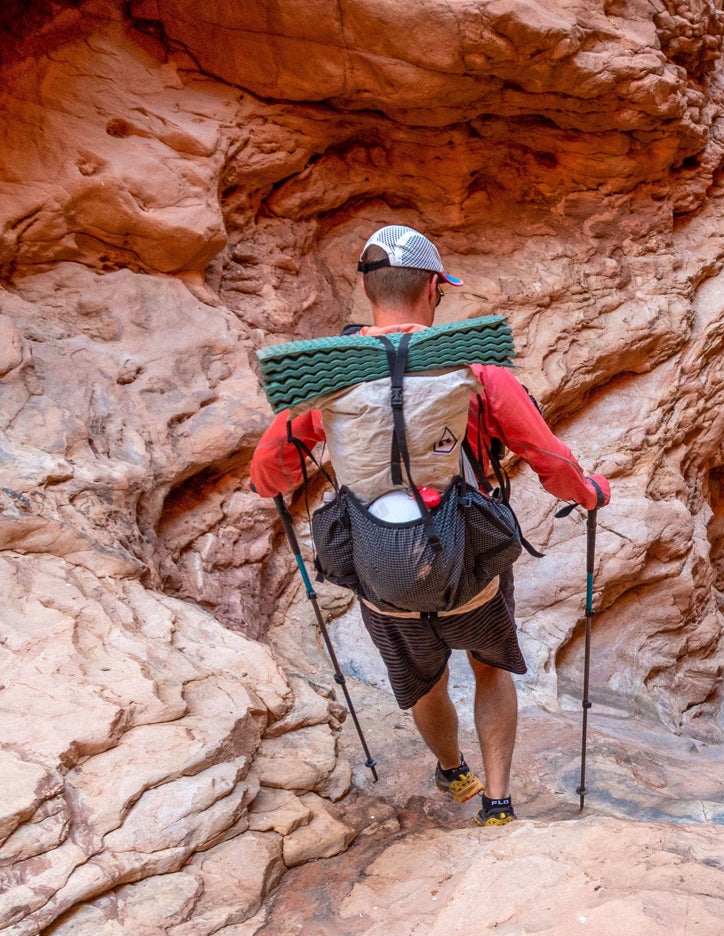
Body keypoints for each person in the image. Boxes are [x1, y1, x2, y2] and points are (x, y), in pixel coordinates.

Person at [250, 225, 611, 827]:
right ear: (434, 289)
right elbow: (547, 457)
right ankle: (498, 803)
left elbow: (268, 474)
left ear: (367, 290)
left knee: (424, 681)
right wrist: (590, 493)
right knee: (489, 668)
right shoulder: (472, 370)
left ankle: (452, 772)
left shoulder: (325, 380)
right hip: (468, 565)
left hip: (381, 574)